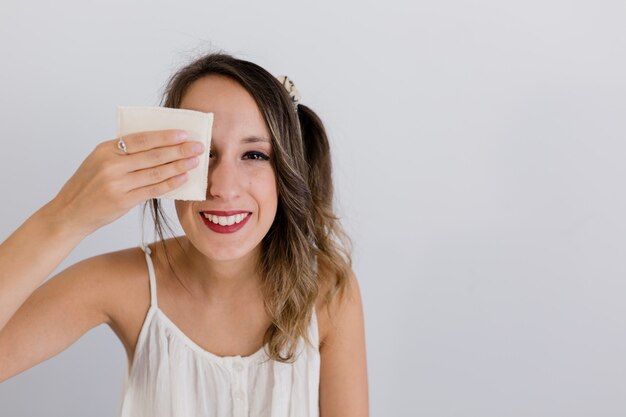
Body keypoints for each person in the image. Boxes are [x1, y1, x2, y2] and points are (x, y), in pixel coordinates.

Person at [0, 52, 369, 416]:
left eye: (255, 155)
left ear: (286, 171)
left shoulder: (329, 291)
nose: (223, 187)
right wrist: (65, 217)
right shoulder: (122, 285)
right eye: (203, 153)